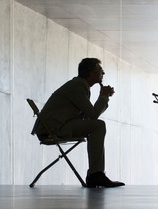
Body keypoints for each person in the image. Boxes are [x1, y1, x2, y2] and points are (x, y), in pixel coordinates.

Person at [33, 58, 124, 188]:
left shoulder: (80, 86)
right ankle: (95, 174)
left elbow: (90, 116)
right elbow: (93, 115)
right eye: (100, 71)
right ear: (90, 73)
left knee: (97, 126)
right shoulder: (78, 86)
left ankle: (96, 174)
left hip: (57, 126)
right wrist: (104, 97)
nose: (103, 73)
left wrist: (103, 97)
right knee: (98, 126)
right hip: (53, 128)